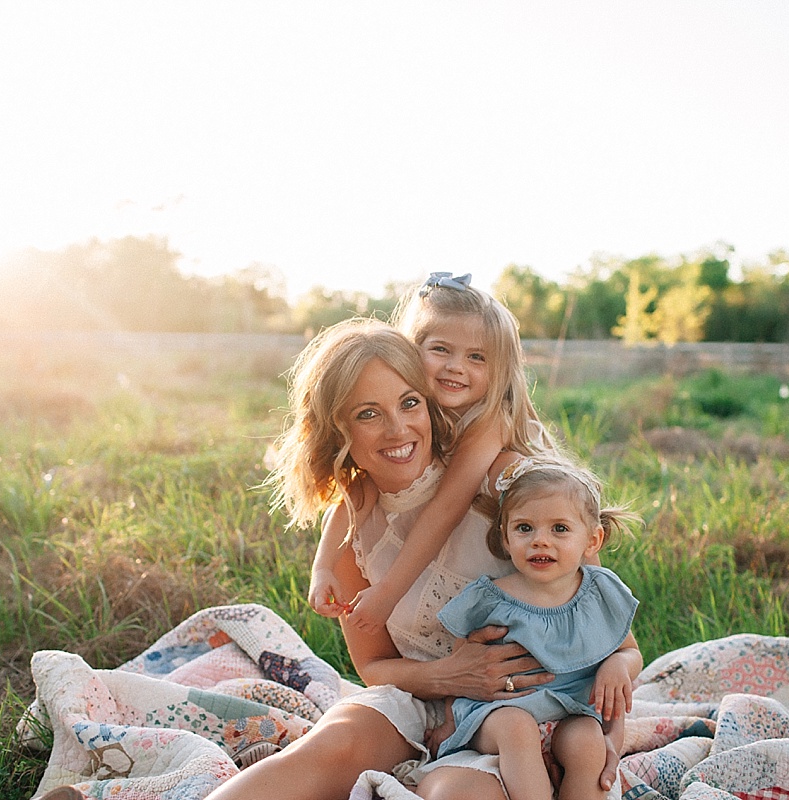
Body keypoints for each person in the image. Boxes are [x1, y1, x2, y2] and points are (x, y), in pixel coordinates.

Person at [205, 317, 620, 800]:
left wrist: (607, 732)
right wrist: (448, 676)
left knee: (461, 795)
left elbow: (595, 605)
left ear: (430, 403)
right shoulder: (351, 527)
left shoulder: (500, 481)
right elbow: (375, 666)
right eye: (368, 413)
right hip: (417, 701)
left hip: (524, 708)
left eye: (409, 403)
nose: (398, 428)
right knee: (332, 745)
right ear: (337, 429)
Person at [308, 272, 558, 635]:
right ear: (412, 350)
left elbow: (447, 508)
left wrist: (388, 594)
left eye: (477, 357)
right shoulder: (428, 414)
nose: (456, 367)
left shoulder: (487, 424)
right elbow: (356, 493)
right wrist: (322, 566)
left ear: (499, 370)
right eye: (441, 349)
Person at [424, 455, 642, 800]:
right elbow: (460, 664)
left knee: (587, 742)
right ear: (506, 539)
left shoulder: (599, 590)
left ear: (592, 540)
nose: (541, 540)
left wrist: (618, 664)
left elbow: (628, 650)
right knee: (517, 728)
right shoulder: (491, 599)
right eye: (525, 528)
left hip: (572, 709)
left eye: (560, 528)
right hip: (497, 715)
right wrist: (449, 721)